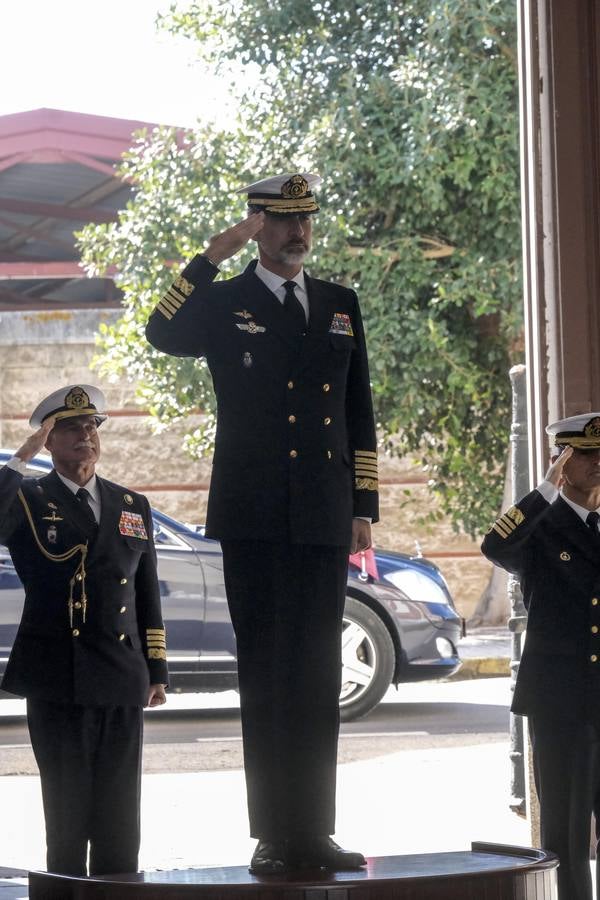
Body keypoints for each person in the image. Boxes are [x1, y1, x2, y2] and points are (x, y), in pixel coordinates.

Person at [146, 172, 379, 873]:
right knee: (270, 675)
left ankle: (315, 830)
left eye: (304, 219)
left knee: (317, 675)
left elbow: (358, 410)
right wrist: (214, 252)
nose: (296, 232)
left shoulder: (340, 305)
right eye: (280, 221)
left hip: (323, 514)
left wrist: (363, 506)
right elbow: (161, 330)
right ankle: (274, 835)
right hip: (254, 516)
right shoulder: (226, 302)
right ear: (257, 225)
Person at [0, 384, 168, 877]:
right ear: (48, 441)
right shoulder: (29, 498)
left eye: (92, 426)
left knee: (120, 813)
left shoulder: (131, 503)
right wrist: (18, 460)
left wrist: (155, 668)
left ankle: (119, 892)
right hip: (58, 676)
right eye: (70, 428)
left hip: (121, 673)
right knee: (68, 813)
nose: (85, 436)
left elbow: (146, 591)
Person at [481, 412, 600, 900]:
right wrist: (544, 490)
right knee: (567, 836)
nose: (597, 464)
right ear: (562, 462)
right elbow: (495, 544)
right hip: (562, 701)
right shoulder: (539, 531)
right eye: (586, 455)